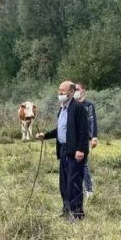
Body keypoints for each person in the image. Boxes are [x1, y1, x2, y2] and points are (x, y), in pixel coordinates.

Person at [36, 81, 90, 221]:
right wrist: (45, 135)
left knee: (74, 183)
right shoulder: (62, 109)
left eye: (63, 90)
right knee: (64, 183)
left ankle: (77, 214)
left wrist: (81, 150)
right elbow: (60, 129)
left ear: (71, 92)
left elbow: (84, 131)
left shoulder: (78, 108)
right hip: (64, 149)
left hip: (75, 151)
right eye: (59, 90)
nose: (60, 92)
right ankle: (66, 210)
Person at [74, 83, 98, 196]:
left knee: (83, 164)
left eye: (77, 89)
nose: (75, 91)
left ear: (83, 91)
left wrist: (94, 137)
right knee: (74, 164)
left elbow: (93, 121)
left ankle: (89, 189)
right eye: (74, 89)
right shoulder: (72, 105)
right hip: (73, 139)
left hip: (85, 138)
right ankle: (78, 189)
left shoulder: (89, 106)